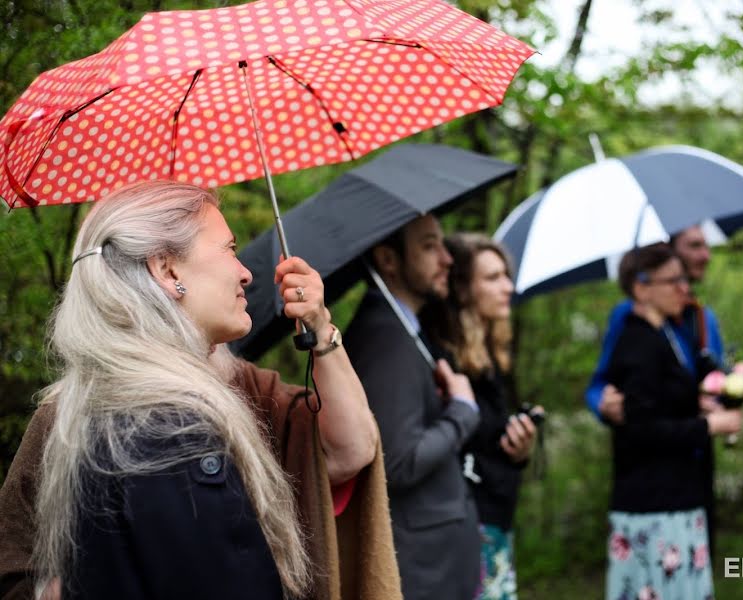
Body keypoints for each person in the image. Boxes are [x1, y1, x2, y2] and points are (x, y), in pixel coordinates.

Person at [0, 181, 400, 600]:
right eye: (229, 249)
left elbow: (350, 451)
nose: (246, 272)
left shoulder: (244, 388)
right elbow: (13, 569)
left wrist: (319, 327)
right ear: (168, 270)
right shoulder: (72, 415)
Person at [343, 215, 482, 600]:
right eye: (428, 246)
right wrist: (462, 412)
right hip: (423, 570)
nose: (447, 259)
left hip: (438, 563)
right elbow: (398, 462)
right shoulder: (386, 338)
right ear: (388, 259)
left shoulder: (404, 330)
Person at [603, 243, 742, 600]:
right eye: (673, 281)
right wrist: (710, 426)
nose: (685, 288)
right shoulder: (636, 343)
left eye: (684, 279)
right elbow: (641, 430)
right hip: (654, 509)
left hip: (676, 499)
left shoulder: (663, 335)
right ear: (641, 288)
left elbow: (660, 404)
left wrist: (702, 402)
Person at [584, 224, 725, 556]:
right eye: (694, 246)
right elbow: (602, 382)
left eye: (706, 246)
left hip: (694, 463)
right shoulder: (629, 320)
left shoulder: (704, 319)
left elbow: (712, 379)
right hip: (653, 479)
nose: (704, 255)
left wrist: (719, 398)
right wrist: (603, 406)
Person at [420, 233, 541, 600]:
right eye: (492, 278)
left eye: (506, 275)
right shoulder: (442, 361)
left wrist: (519, 446)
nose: (508, 286)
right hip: (465, 531)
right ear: (462, 288)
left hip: (496, 524)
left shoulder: (489, 358)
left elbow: (487, 442)